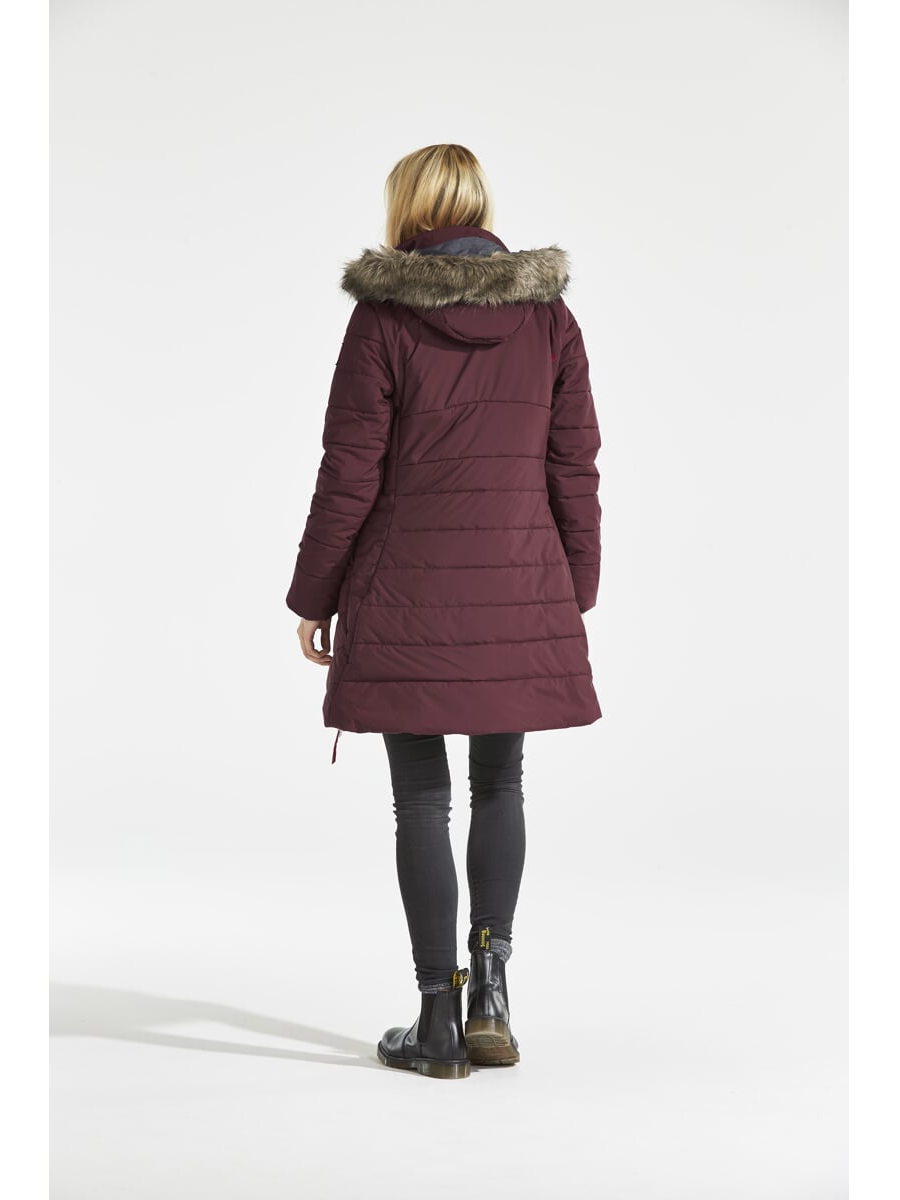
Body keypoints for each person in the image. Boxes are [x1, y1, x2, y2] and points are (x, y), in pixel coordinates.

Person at [285, 143, 602, 1080]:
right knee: (501, 784)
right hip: (519, 587)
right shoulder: (550, 318)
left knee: (421, 796)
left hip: (404, 595)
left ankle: (436, 1019)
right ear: (478, 207)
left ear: (409, 212)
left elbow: (349, 471)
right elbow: (574, 465)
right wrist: (571, 589)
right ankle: (492, 994)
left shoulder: (383, 319)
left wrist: (314, 595)